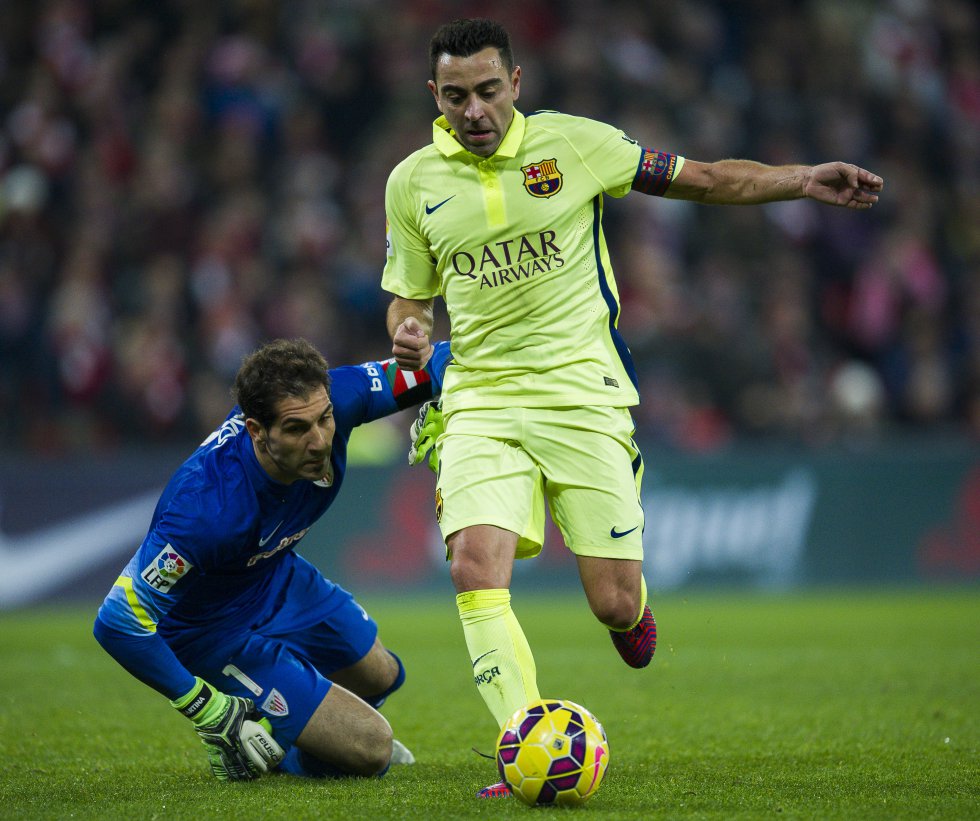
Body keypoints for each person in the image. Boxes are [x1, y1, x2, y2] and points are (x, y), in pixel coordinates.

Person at [382, 17, 884, 798]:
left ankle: (630, 616)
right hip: (479, 397)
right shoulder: (411, 181)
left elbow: (707, 179)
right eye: (455, 97)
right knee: (473, 566)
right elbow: (408, 297)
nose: (473, 111)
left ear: (515, 85)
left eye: (487, 91)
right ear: (433, 96)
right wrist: (409, 334)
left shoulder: (577, 146)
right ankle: (520, 746)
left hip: (584, 394)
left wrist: (801, 178)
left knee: (613, 601)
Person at [93, 337, 451, 781]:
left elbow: (441, 360)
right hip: (208, 631)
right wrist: (205, 707)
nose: (320, 441)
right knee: (371, 750)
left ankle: (289, 732)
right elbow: (118, 620)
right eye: (298, 429)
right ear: (256, 431)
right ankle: (280, 753)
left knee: (382, 673)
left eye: (325, 420)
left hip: (271, 577)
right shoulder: (207, 508)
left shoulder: (342, 394)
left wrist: (470, 400)